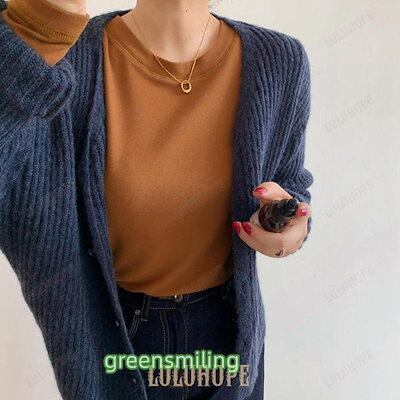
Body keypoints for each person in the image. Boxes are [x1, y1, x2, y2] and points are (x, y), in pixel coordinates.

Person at [0, 0, 313, 399]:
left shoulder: (280, 61)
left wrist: (289, 230)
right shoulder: (66, 57)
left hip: (228, 333)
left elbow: (290, 185)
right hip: (115, 335)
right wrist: (38, 32)